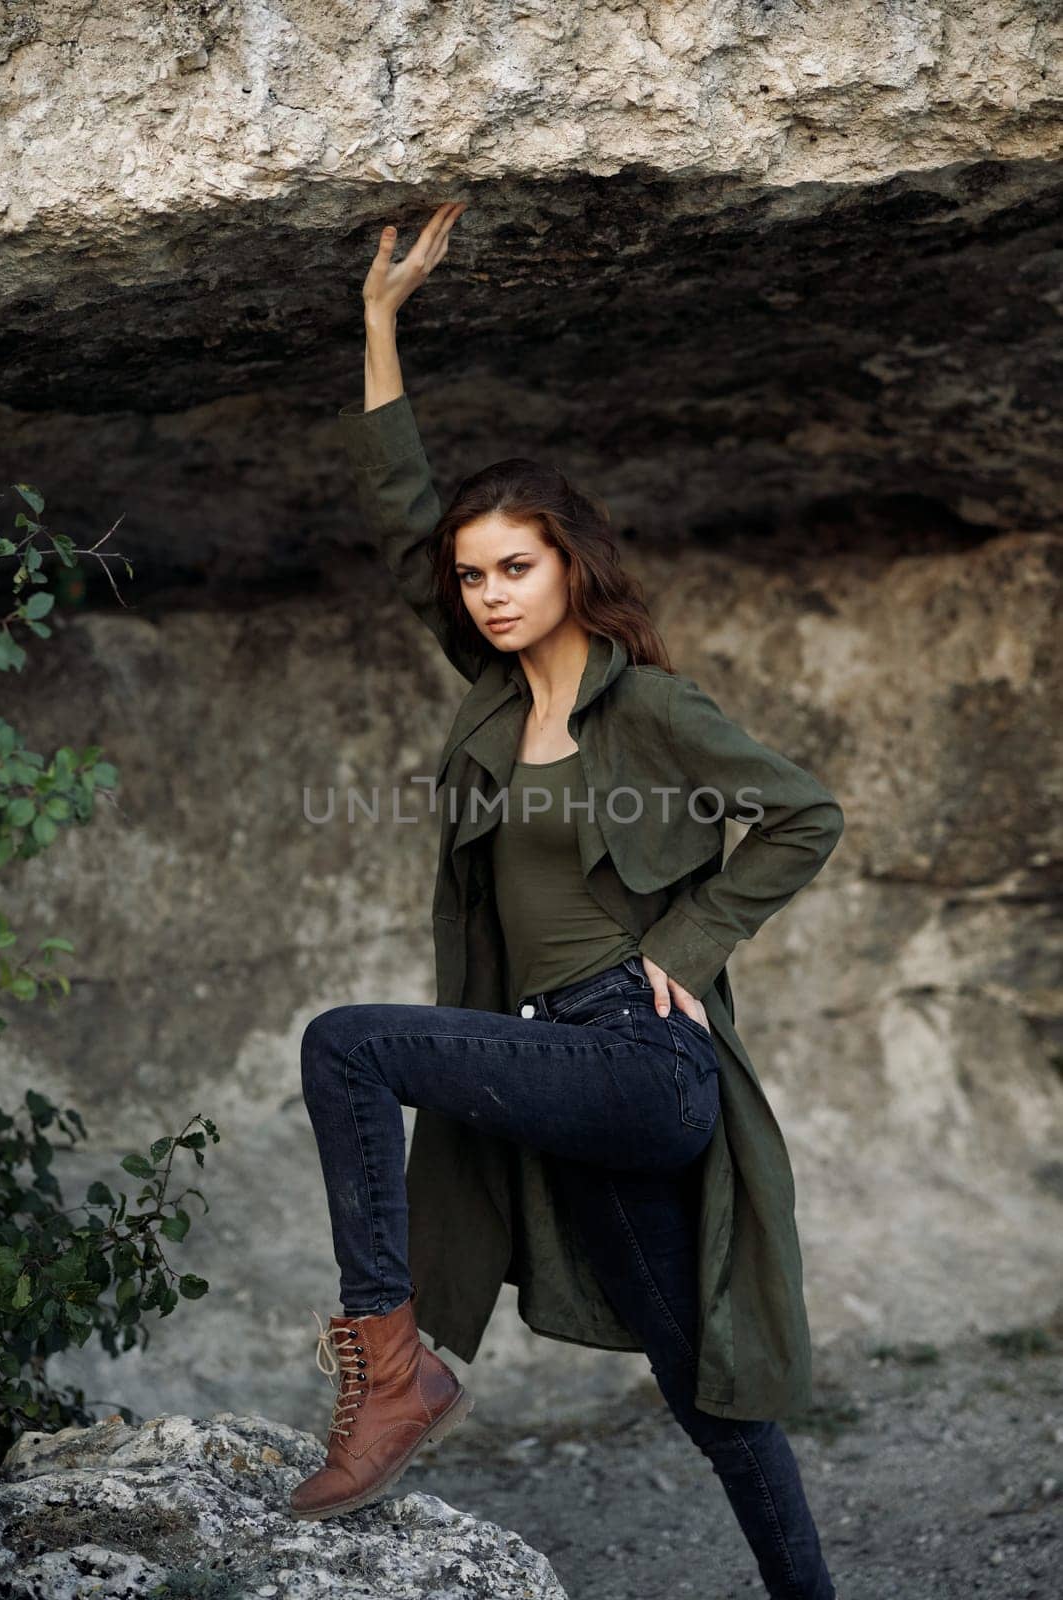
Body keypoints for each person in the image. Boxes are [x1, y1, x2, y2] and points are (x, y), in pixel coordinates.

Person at [291, 202, 843, 1600]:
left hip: (641, 1055)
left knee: (345, 1042)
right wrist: (377, 325)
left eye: (514, 568)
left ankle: (393, 1364)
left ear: (571, 564)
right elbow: (401, 510)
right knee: (708, 1398)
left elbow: (803, 811)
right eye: (472, 577)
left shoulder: (647, 705)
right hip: (559, 1057)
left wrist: (691, 937)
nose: (486, 594)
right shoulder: (491, 703)